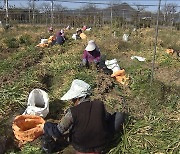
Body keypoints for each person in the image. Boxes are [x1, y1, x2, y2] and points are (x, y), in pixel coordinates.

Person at [42, 79, 126, 153]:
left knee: (48, 126)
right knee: (119, 115)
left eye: (73, 99)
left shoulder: (72, 112)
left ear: (78, 98)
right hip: (102, 146)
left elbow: (58, 132)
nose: (72, 101)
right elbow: (106, 119)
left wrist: (48, 126)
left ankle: (48, 148)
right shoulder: (99, 105)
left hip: (81, 147)